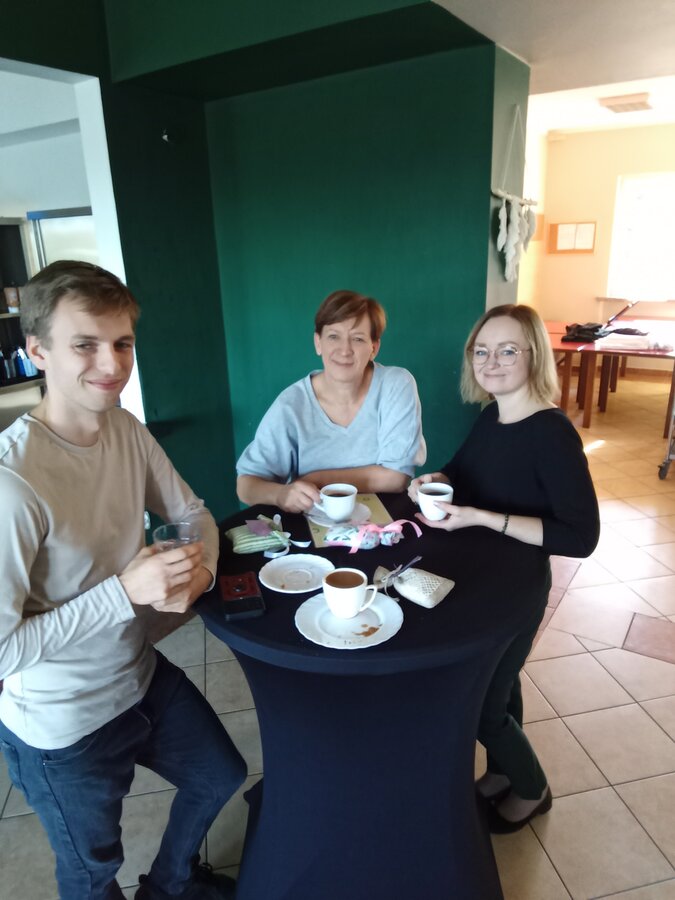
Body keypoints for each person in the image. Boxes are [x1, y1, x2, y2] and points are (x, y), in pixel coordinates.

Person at [0, 261, 246, 899]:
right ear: (37, 352)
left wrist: (202, 572)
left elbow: (192, 512)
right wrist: (123, 593)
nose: (111, 364)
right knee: (92, 875)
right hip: (63, 727)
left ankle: (166, 887)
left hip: (138, 676)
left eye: (123, 343)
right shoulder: (13, 482)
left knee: (219, 775)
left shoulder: (126, 429)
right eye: (85, 344)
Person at [408, 303, 599, 833]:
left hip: (516, 590)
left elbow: (581, 537)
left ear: (534, 355)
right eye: (482, 351)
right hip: (483, 579)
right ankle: (501, 773)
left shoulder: (551, 433)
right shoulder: (493, 416)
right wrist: (436, 480)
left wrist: (483, 517)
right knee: (504, 686)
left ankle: (533, 790)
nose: (491, 362)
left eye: (507, 350)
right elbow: (464, 471)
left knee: (483, 708)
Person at [236, 289, 425, 512]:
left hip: (388, 523)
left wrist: (315, 479)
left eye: (357, 339)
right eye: (333, 336)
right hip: (312, 522)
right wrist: (281, 494)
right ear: (318, 343)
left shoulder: (396, 384)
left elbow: (396, 478)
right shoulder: (291, 404)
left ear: (373, 348)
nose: (345, 350)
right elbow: (246, 486)